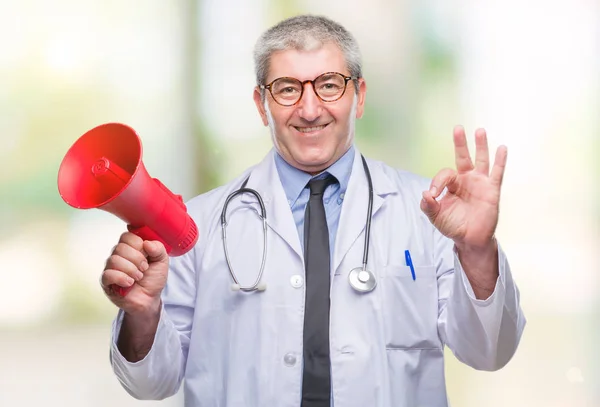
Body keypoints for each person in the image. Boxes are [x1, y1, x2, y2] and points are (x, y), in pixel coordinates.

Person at [101, 14, 526, 407]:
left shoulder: (429, 214)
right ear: (260, 104)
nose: (309, 109)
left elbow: (488, 352)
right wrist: (144, 314)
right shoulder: (199, 225)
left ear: (358, 96)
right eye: (287, 88)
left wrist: (476, 251)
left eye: (328, 84)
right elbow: (150, 383)